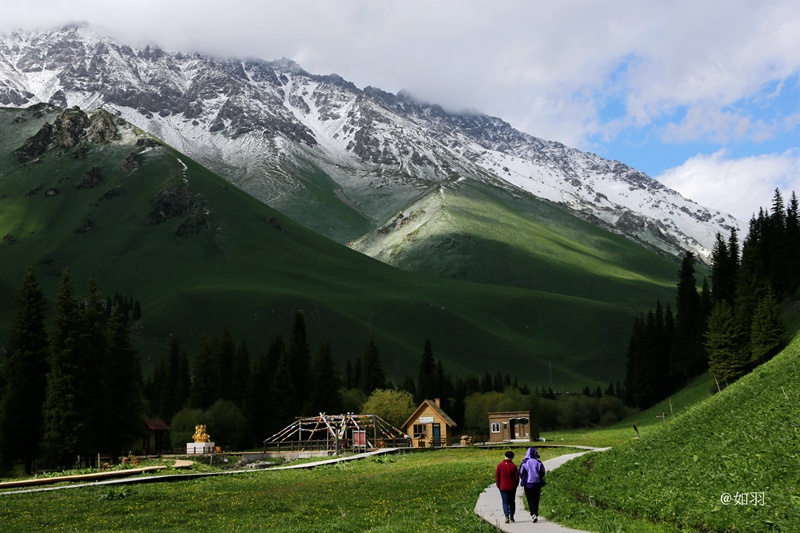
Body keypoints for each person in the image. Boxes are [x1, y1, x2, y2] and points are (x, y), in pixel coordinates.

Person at [519, 446, 546, 523]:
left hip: (528, 484)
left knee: (530, 499)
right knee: (536, 499)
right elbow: (542, 472)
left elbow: (521, 472)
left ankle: (533, 514)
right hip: (537, 483)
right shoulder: (538, 462)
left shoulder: (525, 462)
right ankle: (536, 513)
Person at [495, 450, 519, 523]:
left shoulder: (500, 465)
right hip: (512, 487)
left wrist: (498, 485)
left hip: (503, 486)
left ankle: (506, 516)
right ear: (512, 457)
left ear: (505, 456)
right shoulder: (513, 466)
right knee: (512, 502)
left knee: (505, 502)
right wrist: (516, 485)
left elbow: (497, 476)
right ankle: (512, 517)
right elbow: (517, 478)